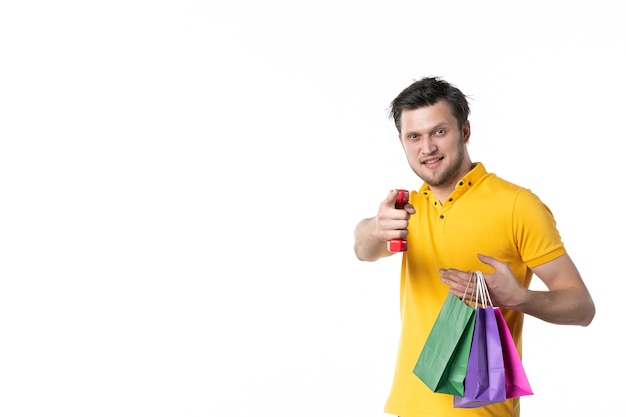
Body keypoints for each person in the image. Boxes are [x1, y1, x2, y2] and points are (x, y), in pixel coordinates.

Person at [353, 76, 595, 417]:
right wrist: (376, 229)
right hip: (408, 408)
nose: (427, 148)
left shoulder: (517, 205)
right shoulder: (407, 208)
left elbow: (582, 307)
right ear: (402, 141)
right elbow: (363, 250)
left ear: (465, 131)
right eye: (414, 136)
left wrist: (519, 298)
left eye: (439, 132)